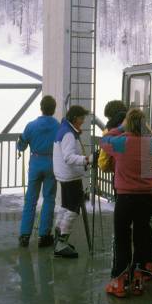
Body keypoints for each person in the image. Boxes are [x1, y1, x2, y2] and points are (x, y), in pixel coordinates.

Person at [101, 108, 152, 298]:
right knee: (141, 236)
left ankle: (120, 281)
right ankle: (139, 278)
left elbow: (104, 139)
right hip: (146, 197)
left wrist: (120, 127)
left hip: (125, 197)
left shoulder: (120, 142)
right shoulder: (150, 143)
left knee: (122, 238)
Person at [17, 95, 59, 248]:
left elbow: (21, 146)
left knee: (31, 199)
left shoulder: (31, 125)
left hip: (35, 163)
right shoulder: (58, 126)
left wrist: (20, 144)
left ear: (41, 108)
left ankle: (24, 235)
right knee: (49, 199)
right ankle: (44, 235)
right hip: (51, 164)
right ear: (54, 109)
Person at [53, 105, 93, 258]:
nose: (83, 121)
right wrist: (86, 159)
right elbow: (69, 157)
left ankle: (58, 237)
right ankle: (62, 243)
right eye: (82, 118)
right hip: (70, 176)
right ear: (75, 118)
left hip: (64, 175)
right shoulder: (69, 134)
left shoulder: (63, 130)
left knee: (65, 206)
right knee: (73, 209)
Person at [98, 100, 128, 173]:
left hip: (120, 175)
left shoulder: (109, 132)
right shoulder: (140, 125)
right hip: (144, 178)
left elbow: (103, 164)